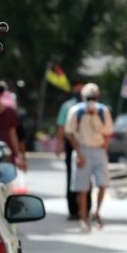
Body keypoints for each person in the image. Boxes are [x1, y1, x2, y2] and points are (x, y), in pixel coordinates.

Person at [64, 83, 113, 232]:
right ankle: (83, 218)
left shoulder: (102, 111)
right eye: (89, 97)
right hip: (82, 150)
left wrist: (95, 117)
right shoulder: (75, 111)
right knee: (82, 188)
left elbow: (107, 132)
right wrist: (78, 153)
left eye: (94, 97)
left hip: (98, 150)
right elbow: (70, 132)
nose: (91, 100)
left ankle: (97, 212)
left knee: (102, 183)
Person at [55, 83, 91, 218]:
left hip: (87, 144)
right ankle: (73, 210)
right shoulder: (67, 106)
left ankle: (85, 209)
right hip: (71, 144)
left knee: (87, 178)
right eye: (77, 88)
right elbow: (61, 126)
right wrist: (59, 144)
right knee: (72, 177)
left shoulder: (92, 108)